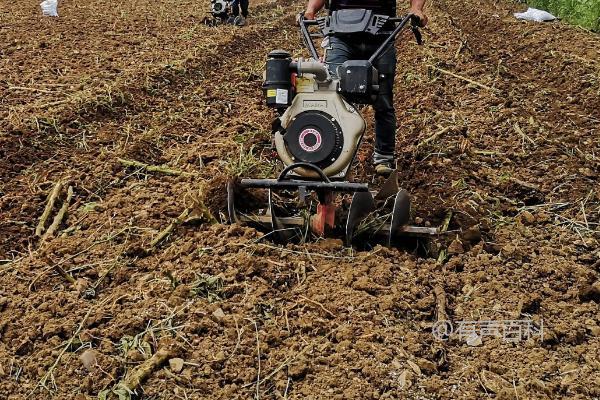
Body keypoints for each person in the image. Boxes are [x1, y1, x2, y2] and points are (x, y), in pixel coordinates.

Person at [300, 0, 428, 176]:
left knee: (382, 98)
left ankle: (383, 156)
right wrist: (310, 10)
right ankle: (330, 153)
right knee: (332, 95)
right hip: (339, 33)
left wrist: (416, 9)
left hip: (381, 33)